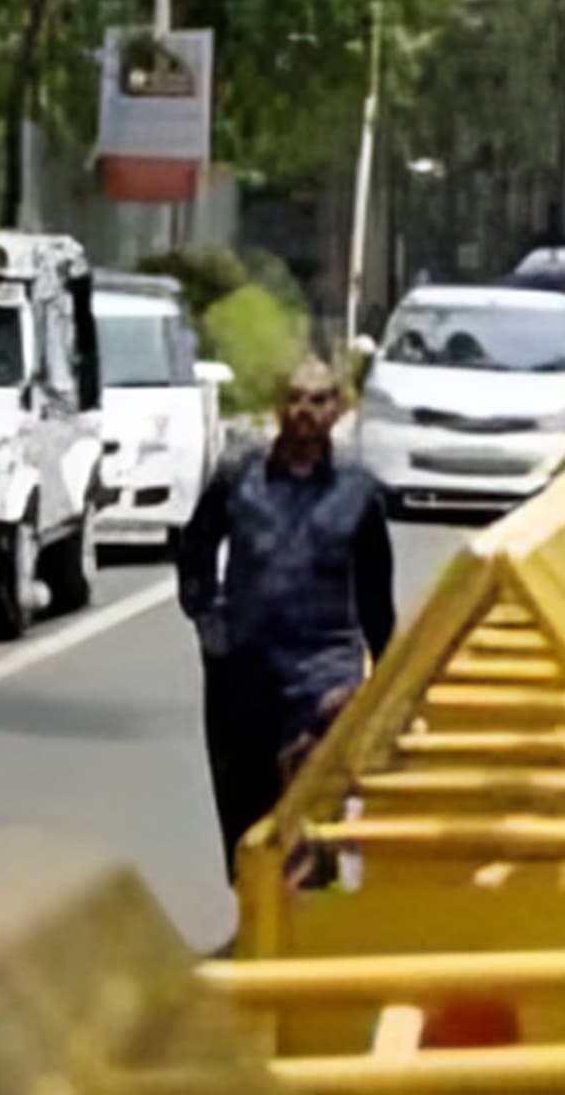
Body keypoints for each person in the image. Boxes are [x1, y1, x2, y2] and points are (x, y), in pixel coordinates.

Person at [176, 356, 396, 878]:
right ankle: (255, 918)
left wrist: (389, 678)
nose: (304, 412)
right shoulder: (237, 476)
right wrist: (211, 625)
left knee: (310, 800)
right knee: (245, 808)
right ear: (278, 406)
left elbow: (375, 597)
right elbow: (196, 552)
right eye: (294, 399)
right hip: (243, 670)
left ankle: (309, 915)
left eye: (318, 400)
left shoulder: (359, 492)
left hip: (322, 674)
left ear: (338, 409)